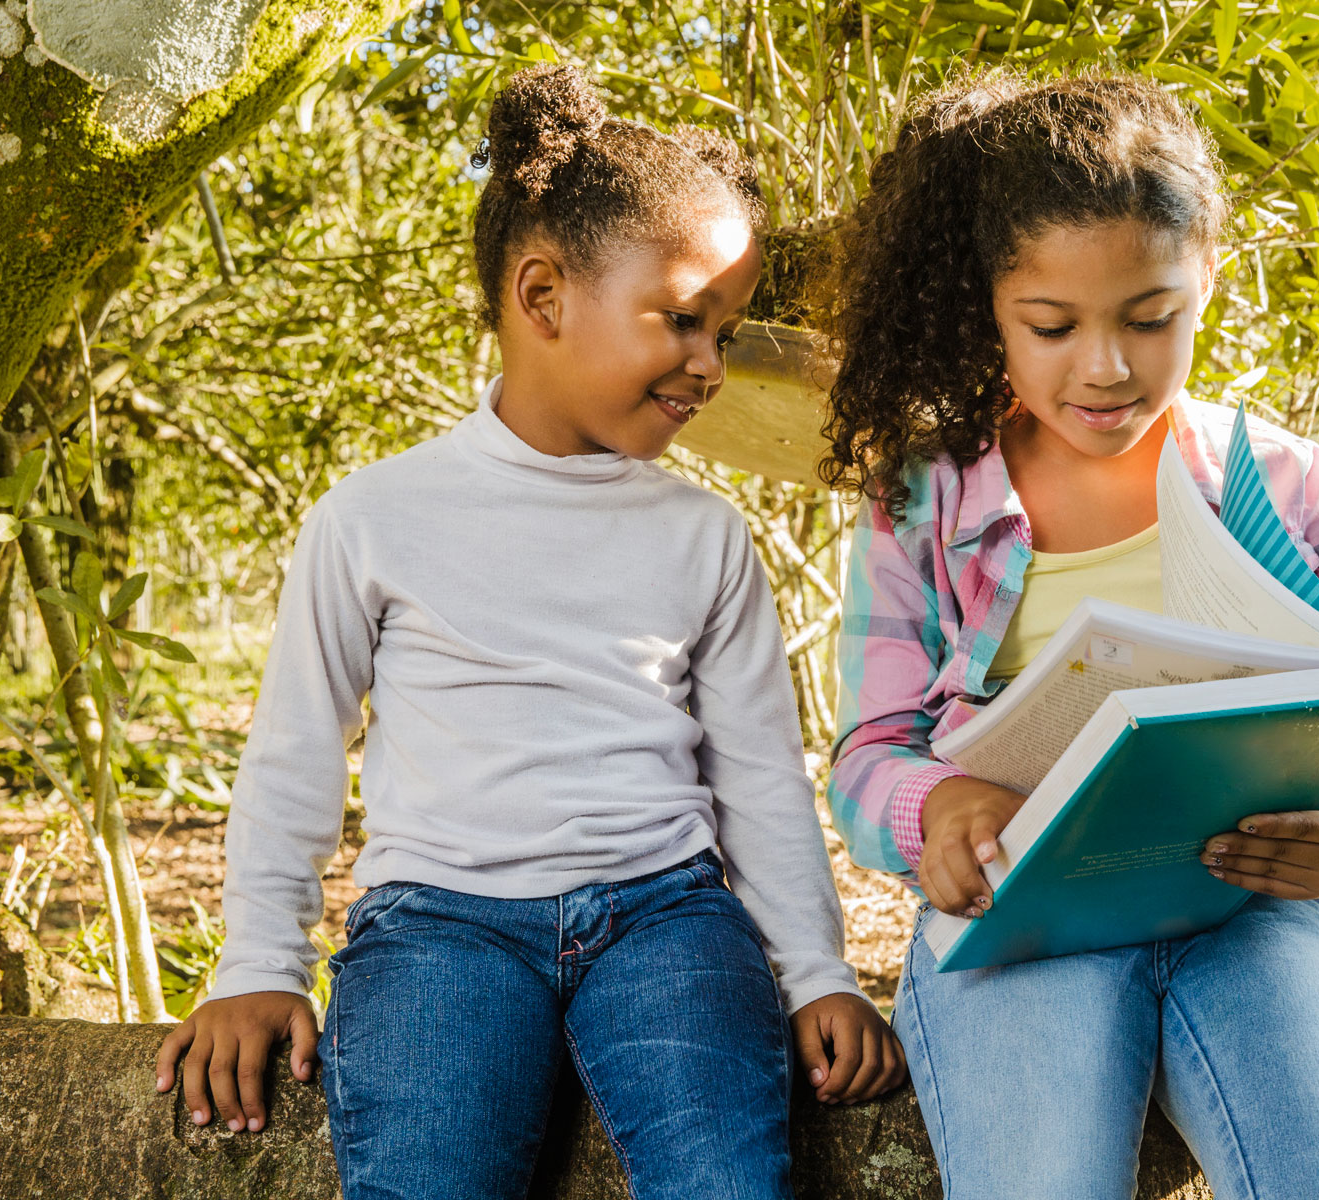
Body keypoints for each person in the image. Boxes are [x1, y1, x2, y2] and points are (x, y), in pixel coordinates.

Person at [155, 64, 904, 1200]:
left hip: (668, 917)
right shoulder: (373, 517)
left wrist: (813, 972)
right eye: (685, 319)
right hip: (437, 931)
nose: (710, 362)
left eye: (728, 328)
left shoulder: (705, 537)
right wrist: (261, 962)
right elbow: (295, 755)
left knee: (728, 1181)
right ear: (543, 295)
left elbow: (758, 777)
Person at [819, 69, 1319, 1200]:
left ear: (1208, 271)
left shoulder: (1280, 483)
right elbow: (867, 761)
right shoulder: (922, 502)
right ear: (988, 307)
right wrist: (940, 811)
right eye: (1052, 326)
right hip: (1024, 925)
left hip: (1246, 914)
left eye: (1152, 317)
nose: (1105, 367)